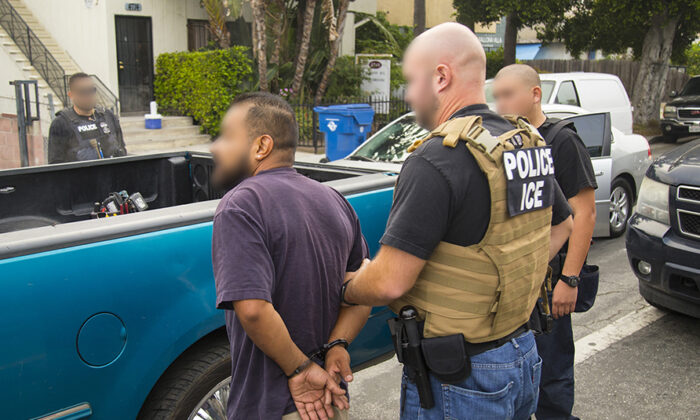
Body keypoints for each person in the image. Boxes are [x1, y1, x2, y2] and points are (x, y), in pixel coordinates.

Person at [338, 23, 574, 419]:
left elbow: (391, 280)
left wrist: (346, 288)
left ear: (441, 77)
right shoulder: (525, 141)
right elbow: (561, 226)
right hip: (522, 354)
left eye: (412, 82)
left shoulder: (435, 158)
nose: (409, 96)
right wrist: (508, 284)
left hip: (462, 378)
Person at [210, 92, 372, 420]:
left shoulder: (239, 205)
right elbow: (362, 289)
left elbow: (253, 310)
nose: (216, 147)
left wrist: (299, 369)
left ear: (261, 146)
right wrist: (337, 345)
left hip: (275, 405)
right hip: (327, 400)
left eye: (227, 137)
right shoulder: (334, 200)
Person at [492, 64, 598, 420]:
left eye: (508, 94)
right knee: (522, 373)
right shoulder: (509, 143)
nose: (500, 103)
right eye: (496, 96)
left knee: (552, 376)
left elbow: (584, 214)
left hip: (553, 281)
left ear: (535, 94)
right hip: (520, 284)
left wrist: (569, 279)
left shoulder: (562, 141)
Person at [48, 72, 126, 163]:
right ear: (71, 95)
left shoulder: (108, 116)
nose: (88, 95)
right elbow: (56, 164)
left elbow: (122, 150)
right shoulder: (61, 123)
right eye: (83, 91)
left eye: (91, 90)